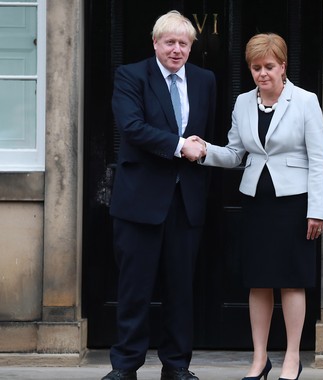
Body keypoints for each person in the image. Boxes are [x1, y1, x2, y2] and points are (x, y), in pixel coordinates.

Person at [192, 33, 323, 380]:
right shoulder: (242, 103)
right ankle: (259, 359)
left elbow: (319, 159)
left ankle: (293, 358)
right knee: (259, 281)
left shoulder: (305, 101)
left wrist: (317, 210)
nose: (262, 73)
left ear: (283, 66)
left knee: (292, 281)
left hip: (295, 205)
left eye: (269, 66)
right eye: (256, 67)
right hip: (255, 203)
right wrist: (205, 149)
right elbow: (236, 153)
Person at [103, 10, 215, 380]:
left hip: (186, 203)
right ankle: (125, 367)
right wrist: (180, 145)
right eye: (170, 42)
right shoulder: (131, 76)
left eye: (184, 43)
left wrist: (196, 147)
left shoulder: (205, 80)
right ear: (155, 43)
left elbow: (207, 135)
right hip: (139, 201)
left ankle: (177, 365)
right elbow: (132, 128)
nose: (177, 49)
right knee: (134, 290)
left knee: (181, 291)